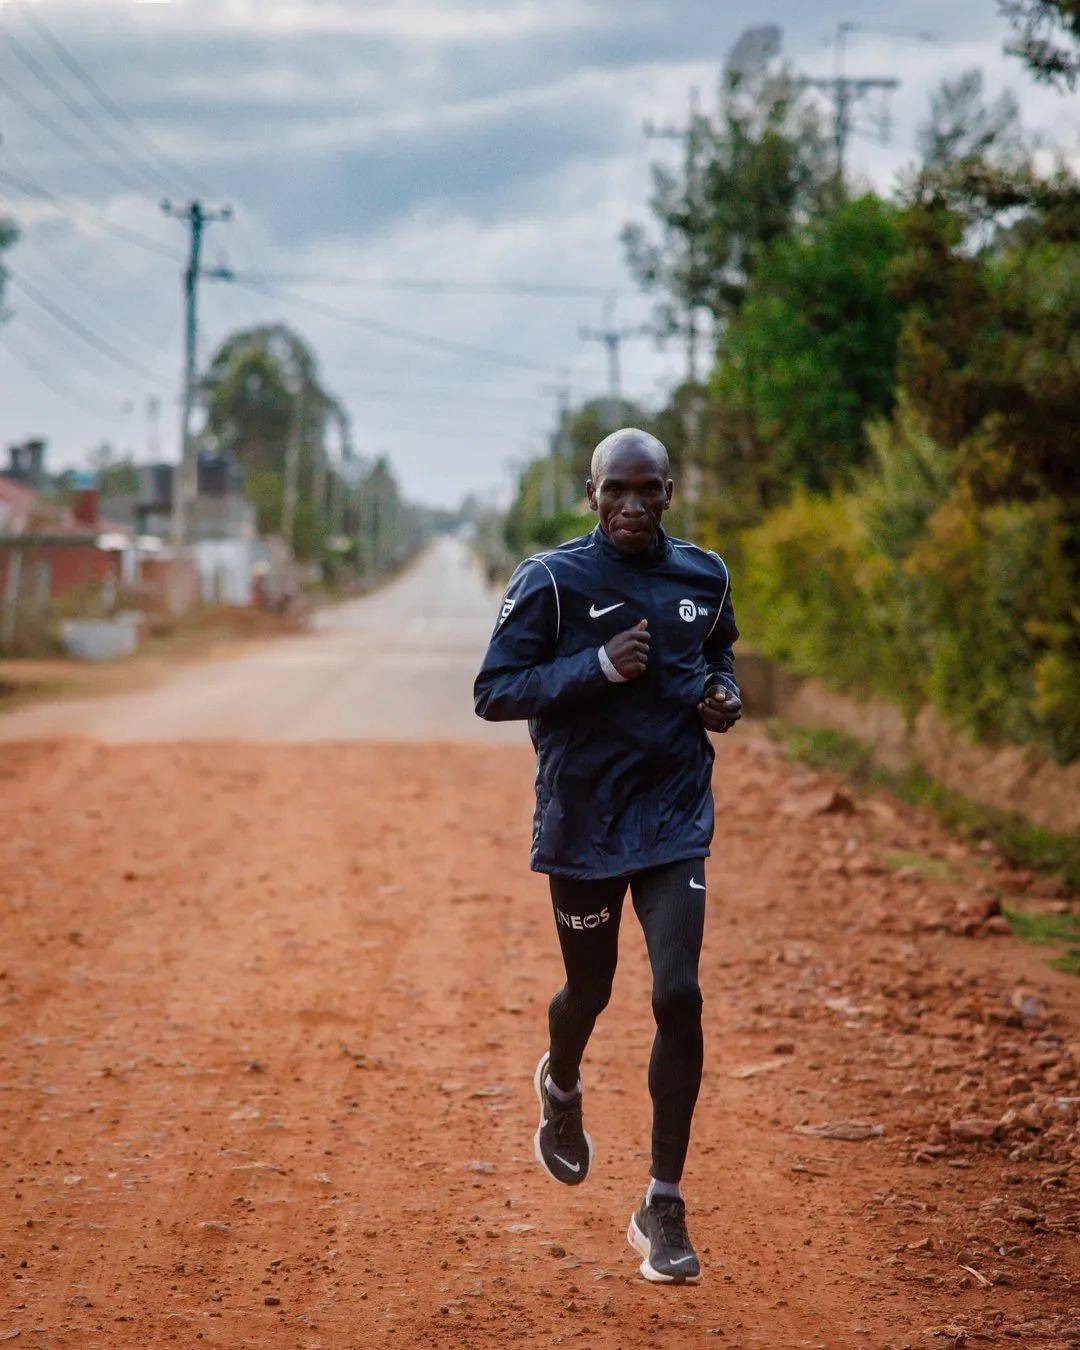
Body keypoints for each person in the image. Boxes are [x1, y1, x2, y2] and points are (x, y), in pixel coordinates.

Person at [473, 427, 740, 1285]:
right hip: (583, 821)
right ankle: (561, 1082)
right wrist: (594, 665)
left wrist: (720, 692)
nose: (632, 505)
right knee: (590, 988)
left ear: (670, 493)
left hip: (672, 817)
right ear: (591, 495)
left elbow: (717, 650)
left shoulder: (705, 574)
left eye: (648, 490)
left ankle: (662, 1204)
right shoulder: (551, 581)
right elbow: (493, 692)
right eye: (615, 491)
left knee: (679, 993)